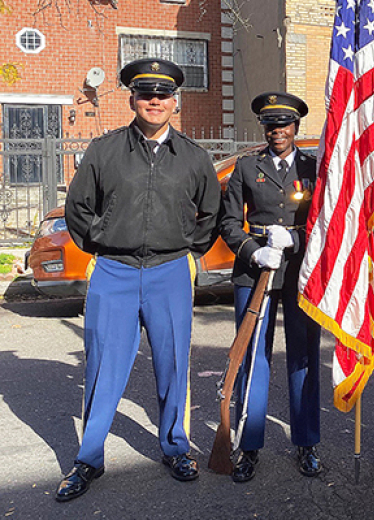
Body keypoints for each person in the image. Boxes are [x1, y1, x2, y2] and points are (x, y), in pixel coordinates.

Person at [57, 58, 221, 501]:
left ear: (175, 102)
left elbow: (211, 212)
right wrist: (103, 243)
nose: (155, 101)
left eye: (163, 95)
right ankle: (88, 457)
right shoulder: (104, 151)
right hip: (115, 270)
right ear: (132, 98)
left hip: (170, 271)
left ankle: (175, 447)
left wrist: (187, 248)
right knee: (103, 368)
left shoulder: (193, 156)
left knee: (172, 366)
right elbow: (78, 209)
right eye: (146, 94)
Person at [219, 92, 322, 483]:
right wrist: (252, 251)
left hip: (299, 270)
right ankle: (249, 445)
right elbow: (228, 223)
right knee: (252, 357)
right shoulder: (248, 167)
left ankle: (307, 442)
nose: (277, 131)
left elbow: (323, 220)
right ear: (264, 128)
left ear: (296, 127)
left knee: (304, 357)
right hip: (256, 269)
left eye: (284, 124)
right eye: (271, 124)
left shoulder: (314, 167)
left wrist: (294, 239)